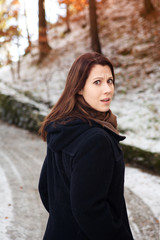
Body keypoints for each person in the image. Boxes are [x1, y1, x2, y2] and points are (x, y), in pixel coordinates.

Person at [38, 52, 134, 240]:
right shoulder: (96, 140)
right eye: (97, 82)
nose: (107, 89)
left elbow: (45, 189)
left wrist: (65, 221)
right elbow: (89, 210)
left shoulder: (63, 127)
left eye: (110, 81)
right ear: (79, 87)